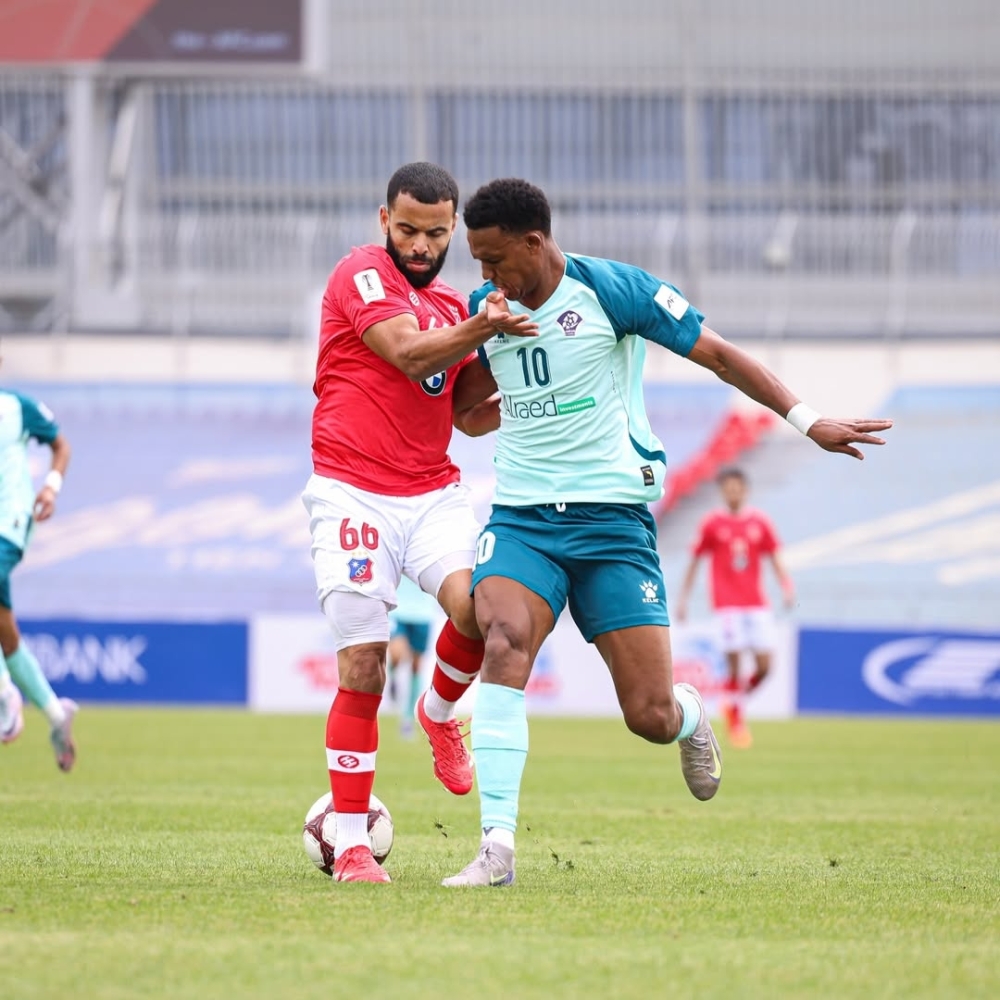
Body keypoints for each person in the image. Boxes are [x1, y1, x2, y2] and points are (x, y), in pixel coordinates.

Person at [442, 177, 892, 887]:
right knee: (503, 641)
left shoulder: (613, 291)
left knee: (647, 714)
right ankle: (497, 849)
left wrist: (809, 421)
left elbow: (717, 354)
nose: (486, 276)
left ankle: (689, 716)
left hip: (613, 523)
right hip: (523, 518)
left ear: (535, 241)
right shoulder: (483, 310)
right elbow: (468, 414)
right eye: (477, 262)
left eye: (495, 259)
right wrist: (493, 344)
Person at [301, 162, 537, 883]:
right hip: (352, 493)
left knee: (484, 612)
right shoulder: (362, 273)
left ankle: (438, 713)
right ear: (384, 221)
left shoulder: (450, 305)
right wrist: (480, 324)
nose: (421, 245)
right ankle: (349, 846)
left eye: (436, 234)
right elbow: (406, 355)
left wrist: (516, 367)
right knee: (364, 665)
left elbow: (465, 416)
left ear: (452, 232)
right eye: (408, 229)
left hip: (432, 492)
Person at [675, 467, 794, 748]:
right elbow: (695, 560)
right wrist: (684, 598)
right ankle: (737, 719)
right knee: (734, 663)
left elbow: (774, 556)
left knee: (766, 666)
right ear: (722, 492)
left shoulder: (760, 522)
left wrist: (786, 585)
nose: (733, 493)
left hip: (756, 604)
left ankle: (734, 703)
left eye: (737, 488)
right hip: (727, 605)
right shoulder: (712, 524)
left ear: (745, 490)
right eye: (728, 488)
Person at [0, 385, 77, 770]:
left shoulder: (17, 407)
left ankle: (4, 695)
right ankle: (56, 715)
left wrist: (51, 486)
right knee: (4, 629)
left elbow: (61, 444)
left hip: (9, 523)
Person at [387, 576, 440, 738]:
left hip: (423, 613)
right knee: (397, 654)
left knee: (416, 667)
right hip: (398, 610)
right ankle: (393, 677)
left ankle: (408, 718)